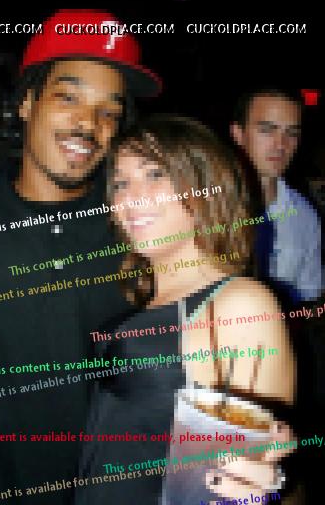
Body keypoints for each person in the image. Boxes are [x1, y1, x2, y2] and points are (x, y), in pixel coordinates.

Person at [0, 8, 161, 504]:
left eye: (109, 112)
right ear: (27, 103)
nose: (88, 124)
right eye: (68, 97)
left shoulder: (139, 225)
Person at [75, 115, 297, 504]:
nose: (131, 197)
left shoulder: (239, 301)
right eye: (121, 183)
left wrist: (261, 480)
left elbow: (253, 469)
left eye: (155, 174)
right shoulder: (138, 302)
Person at [230, 88, 322, 303]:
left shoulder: (305, 216)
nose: (281, 145)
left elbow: (310, 295)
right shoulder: (206, 208)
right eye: (267, 130)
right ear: (238, 134)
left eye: (291, 133)